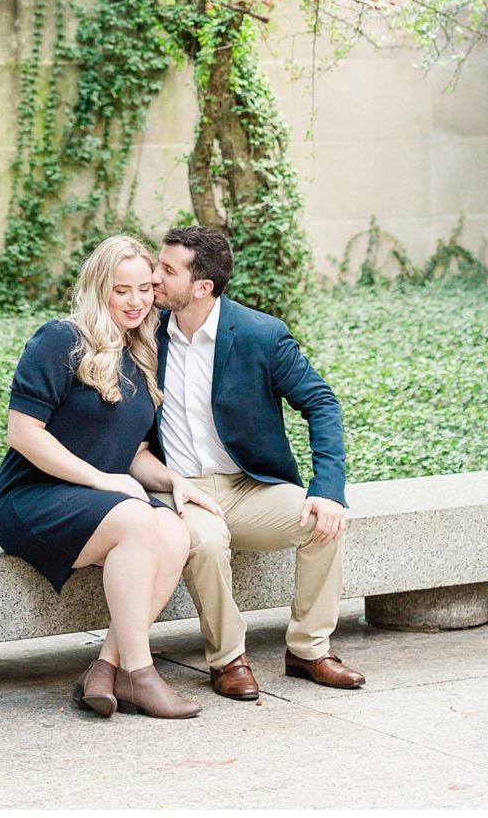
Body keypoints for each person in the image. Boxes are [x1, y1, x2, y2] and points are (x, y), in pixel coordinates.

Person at [0, 233, 226, 719]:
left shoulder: (140, 354)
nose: (137, 301)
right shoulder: (60, 340)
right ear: (101, 289)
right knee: (141, 522)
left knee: (173, 531)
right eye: (123, 290)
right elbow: (23, 433)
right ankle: (140, 674)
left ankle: (105, 667)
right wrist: (101, 479)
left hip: (99, 503)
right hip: (32, 498)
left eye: (145, 289)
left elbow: (132, 451)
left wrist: (173, 480)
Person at [149, 224, 366, 699]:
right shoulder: (143, 333)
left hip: (248, 486)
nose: (154, 277)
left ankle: (310, 650)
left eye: (167, 269)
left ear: (202, 286)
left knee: (321, 521)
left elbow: (321, 403)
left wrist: (327, 489)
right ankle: (227, 660)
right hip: (175, 488)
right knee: (204, 543)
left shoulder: (260, 335)